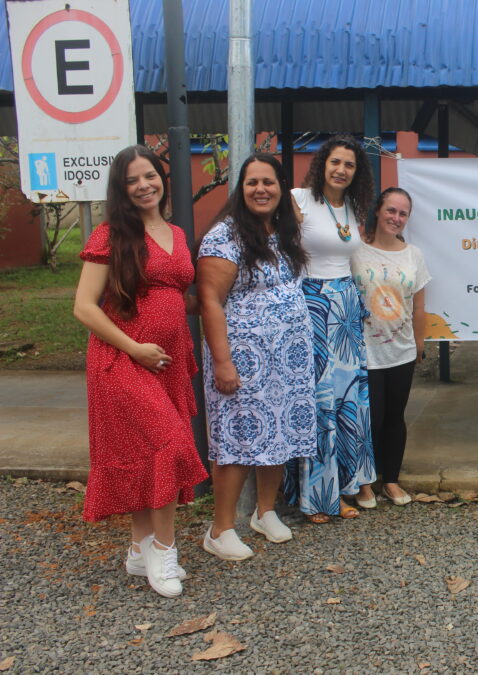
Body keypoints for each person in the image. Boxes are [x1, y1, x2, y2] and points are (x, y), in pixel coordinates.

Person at [73, 145, 207, 598]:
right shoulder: (111, 235)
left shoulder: (176, 232)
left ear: (161, 179)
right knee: (167, 444)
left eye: (150, 175)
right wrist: (135, 347)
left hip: (166, 362)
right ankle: (165, 553)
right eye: (133, 180)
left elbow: (174, 293)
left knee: (145, 450)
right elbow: (84, 307)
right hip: (121, 359)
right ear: (121, 188)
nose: (144, 185)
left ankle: (137, 549)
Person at [197, 153, 317, 561]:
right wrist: (223, 362)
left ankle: (265, 512)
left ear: (282, 188)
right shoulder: (225, 236)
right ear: (240, 189)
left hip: (287, 360)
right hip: (244, 359)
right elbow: (210, 301)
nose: (261, 189)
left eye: (270, 182)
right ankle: (220, 528)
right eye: (252, 183)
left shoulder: (283, 230)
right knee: (238, 437)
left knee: (279, 431)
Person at [282, 135, 377, 523]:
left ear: (357, 173)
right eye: (335, 162)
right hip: (312, 305)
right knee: (319, 402)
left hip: (346, 307)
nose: (341, 170)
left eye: (349, 165)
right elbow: (281, 252)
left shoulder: (353, 209)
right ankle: (314, 497)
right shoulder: (298, 199)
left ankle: (342, 488)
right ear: (323, 163)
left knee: (348, 400)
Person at [350, 188, 431, 507]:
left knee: (395, 417)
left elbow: (420, 307)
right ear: (378, 210)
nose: (396, 218)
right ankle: (365, 482)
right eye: (391, 210)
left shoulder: (414, 255)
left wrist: (419, 343)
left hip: (401, 350)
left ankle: (391, 480)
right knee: (370, 418)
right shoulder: (356, 251)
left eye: (403, 214)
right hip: (363, 350)